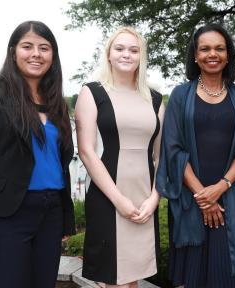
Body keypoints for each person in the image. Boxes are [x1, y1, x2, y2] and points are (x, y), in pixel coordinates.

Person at [0, 20, 74, 288]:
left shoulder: (57, 103)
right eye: (27, 46)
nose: (36, 54)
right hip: (5, 216)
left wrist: (66, 218)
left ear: (52, 55)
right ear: (13, 52)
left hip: (50, 213)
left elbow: (61, 164)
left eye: (44, 48)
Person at [156, 23, 235, 288]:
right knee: (195, 278)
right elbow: (173, 149)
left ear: (228, 55)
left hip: (232, 200)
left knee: (232, 277)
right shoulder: (181, 95)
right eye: (205, 49)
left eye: (219, 48)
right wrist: (204, 197)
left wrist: (221, 186)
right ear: (195, 55)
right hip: (192, 201)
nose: (212, 54)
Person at [75, 27, 164, 287]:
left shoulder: (156, 99)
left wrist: (154, 199)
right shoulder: (92, 92)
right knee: (112, 278)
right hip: (108, 196)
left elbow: (162, 157)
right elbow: (87, 152)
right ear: (109, 55)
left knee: (132, 277)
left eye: (134, 50)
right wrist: (119, 200)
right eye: (120, 48)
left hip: (144, 198)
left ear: (141, 56)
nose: (127, 54)